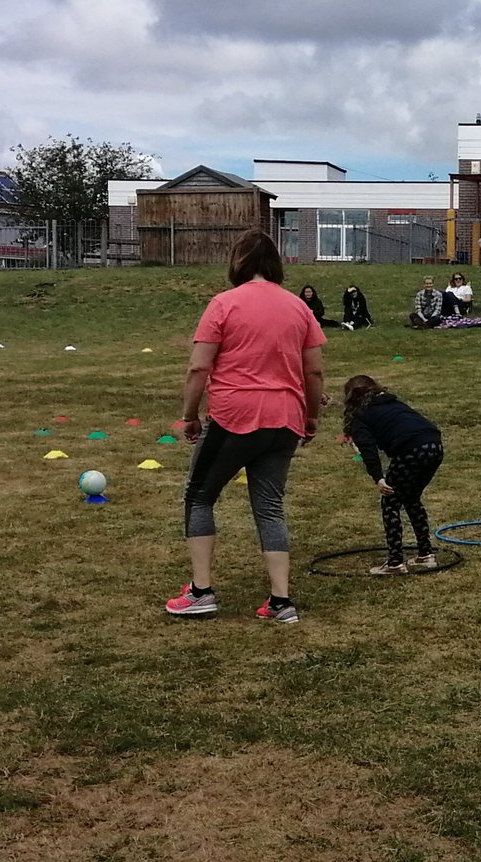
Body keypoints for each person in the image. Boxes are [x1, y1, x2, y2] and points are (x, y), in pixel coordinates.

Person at [165, 227, 325, 624]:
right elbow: (314, 372)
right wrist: (310, 417)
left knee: (199, 496)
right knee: (269, 506)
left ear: (237, 262)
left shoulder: (224, 304)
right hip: (285, 418)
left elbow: (199, 366)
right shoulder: (298, 307)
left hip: (235, 417)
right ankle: (281, 601)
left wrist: (190, 416)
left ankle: (201, 591)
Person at [342, 375, 443, 575]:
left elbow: (368, 450)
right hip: (434, 445)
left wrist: (378, 478)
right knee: (411, 498)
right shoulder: (392, 402)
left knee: (390, 502)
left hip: (410, 450)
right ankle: (426, 554)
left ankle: (395, 562)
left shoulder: (361, 416)